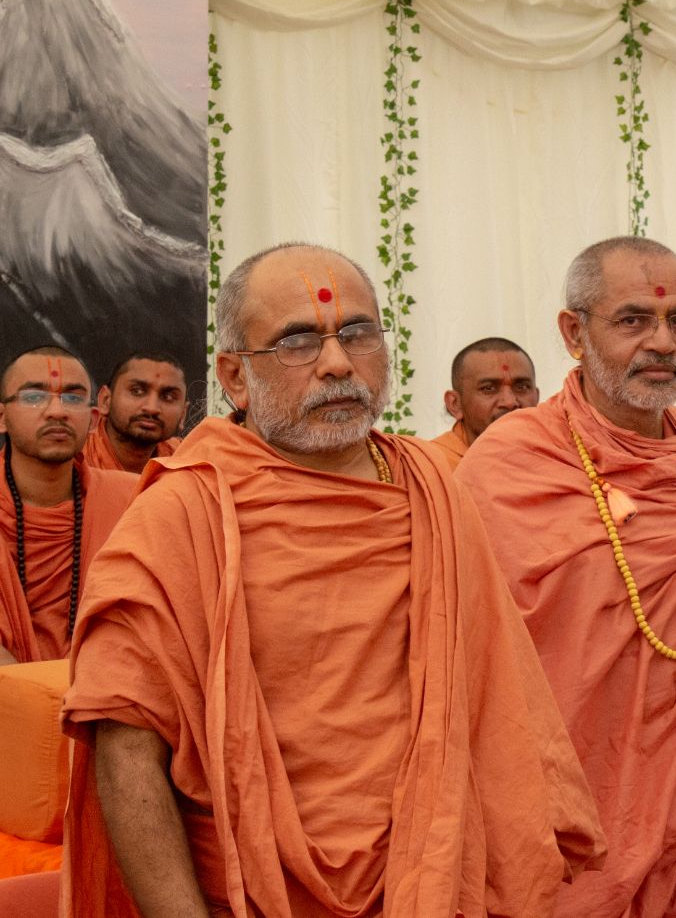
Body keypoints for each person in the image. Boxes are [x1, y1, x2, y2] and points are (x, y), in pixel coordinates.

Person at [61, 243, 603, 918]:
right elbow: (126, 741)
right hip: (252, 892)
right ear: (234, 374)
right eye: (298, 340)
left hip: (433, 879)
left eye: (358, 333)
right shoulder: (183, 512)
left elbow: (497, 699)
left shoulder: (432, 488)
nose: (339, 362)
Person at [457, 236, 676, 918]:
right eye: (634, 320)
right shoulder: (507, 468)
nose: (664, 342)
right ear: (573, 332)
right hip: (547, 841)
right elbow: (456, 670)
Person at [0, 347, 138, 663]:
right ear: (2, 418)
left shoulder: (131, 501)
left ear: (91, 421)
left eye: (73, 398)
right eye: (34, 397)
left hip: (106, 690)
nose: (57, 411)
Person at [430, 337, 539, 468]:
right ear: (455, 404)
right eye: (489, 388)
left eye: (522, 387)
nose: (510, 402)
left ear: (537, 397)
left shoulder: (556, 457)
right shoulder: (430, 467)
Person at [82, 351, 189, 473]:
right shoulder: (73, 460)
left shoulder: (187, 462)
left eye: (168, 397)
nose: (151, 408)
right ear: (105, 400)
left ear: (183, 414)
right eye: (137, 391)